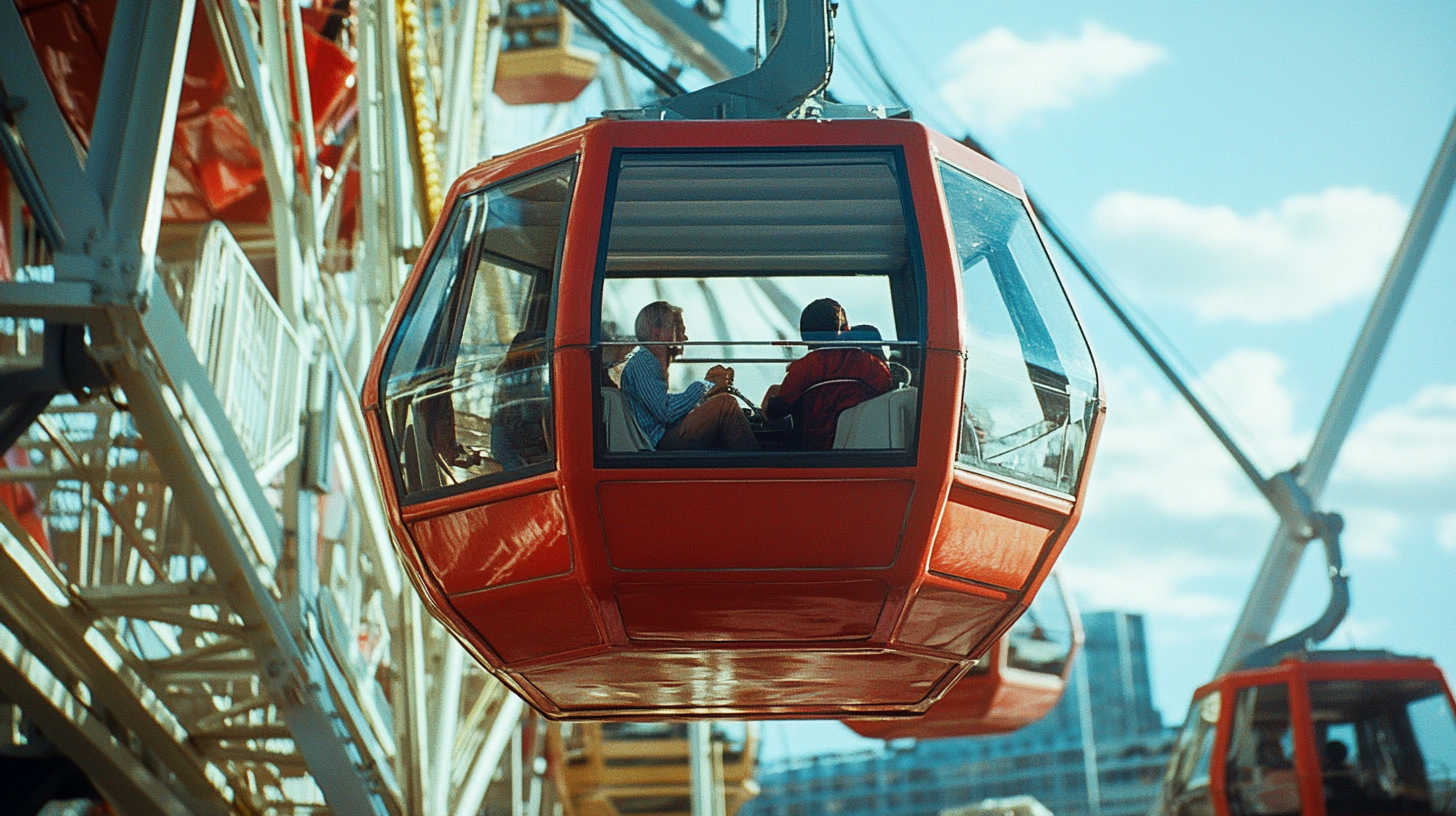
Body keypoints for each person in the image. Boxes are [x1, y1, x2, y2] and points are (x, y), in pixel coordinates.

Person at [619, 301, 759, 451]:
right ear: (657, 334)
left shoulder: (648, 363)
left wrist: (709, 392)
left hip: (663, 435)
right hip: (657, 442)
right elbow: (667, 412)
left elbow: (663, 407)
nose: (684, 338)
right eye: (678, 331)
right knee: (725, 405)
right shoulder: (644, 362)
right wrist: (707, 385)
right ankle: (762, 470)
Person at [762, 299, 893, 451]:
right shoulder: (870, 364)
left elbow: (777, 411)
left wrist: (773, 399)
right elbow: (887, 391)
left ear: (805, 336)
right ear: (846, 330)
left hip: (813, 453)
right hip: (863, 449)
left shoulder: (804, 368)